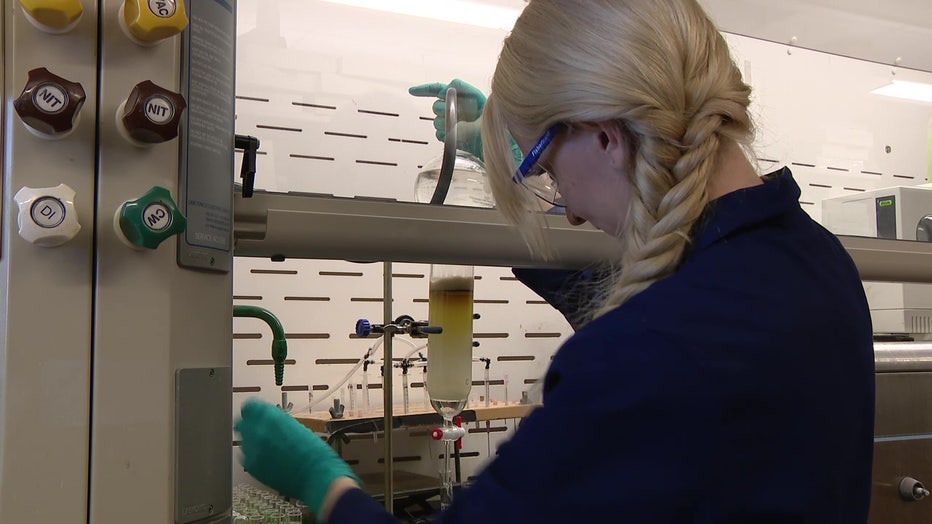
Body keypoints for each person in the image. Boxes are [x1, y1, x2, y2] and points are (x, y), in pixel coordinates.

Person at [235, 0, 876, 522]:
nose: (565, 211)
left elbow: (650, 352)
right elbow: (670, 326)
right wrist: (504, 154)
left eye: (544, 168)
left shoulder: (645, 352)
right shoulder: (818, 266)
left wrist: (324, 484)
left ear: (602, 134)